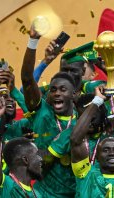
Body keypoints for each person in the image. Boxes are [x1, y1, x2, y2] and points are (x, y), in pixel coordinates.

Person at [21, 26, 78, 197]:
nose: (57, 93)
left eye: (63, 90)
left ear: (74, 94)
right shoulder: (42, 112)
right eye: (53, 90)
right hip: (44, 194)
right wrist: (33, 42)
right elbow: (27, 79)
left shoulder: (83, 120)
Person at [0, 95, 43, 197]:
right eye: (37, 155)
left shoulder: (37, 194)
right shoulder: (5, 186)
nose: (41, 159)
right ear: (25, 159)